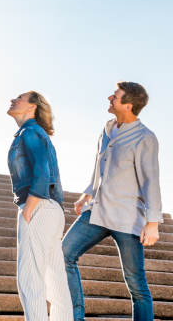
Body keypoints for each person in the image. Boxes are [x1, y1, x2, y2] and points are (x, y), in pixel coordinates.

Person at [62, 82, 161, 321]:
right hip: (97, 212)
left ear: (128, 105)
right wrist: (87, 193)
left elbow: (151, 181)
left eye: (115, 97)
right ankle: (76, 317)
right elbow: (100, 168)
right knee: (63, 254)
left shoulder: (144, 137)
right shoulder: (107, 129)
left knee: (136, 285)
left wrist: (153, 222)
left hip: (127, 219)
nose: (109, 98)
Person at [6, 91, 71, 321]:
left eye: (19, 98)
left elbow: (41, 173)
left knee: (30, 280)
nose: (13, 99)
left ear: (32, 106)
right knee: (56, 284)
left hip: (38, 207)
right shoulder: (35, 133)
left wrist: (28, 209)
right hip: (52, 211)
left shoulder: (30, 132)